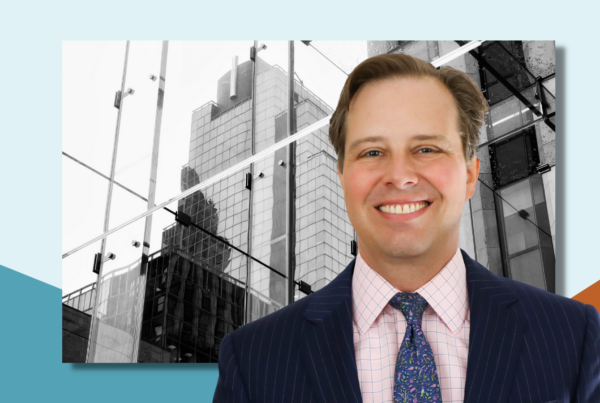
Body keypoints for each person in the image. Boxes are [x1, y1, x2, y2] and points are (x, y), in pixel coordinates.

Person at [213, 53, 600, 403]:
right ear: (343, 176)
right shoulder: (253, 359)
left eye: (427, 149)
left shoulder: (573, 337)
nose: (399, 176)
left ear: (469, 175)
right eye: (373, 152)